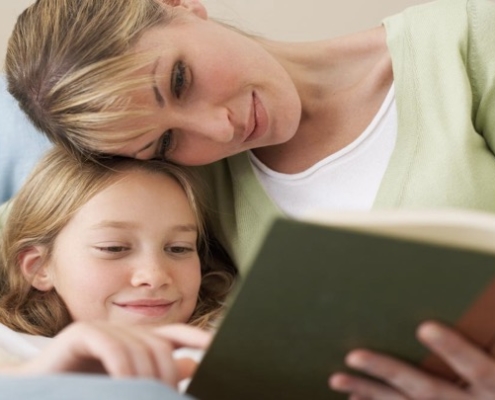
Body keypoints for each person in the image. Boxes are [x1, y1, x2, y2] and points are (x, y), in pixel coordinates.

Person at [4, 0, 495, 397]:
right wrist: (36, 375)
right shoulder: (167, 183)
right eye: (166, 143)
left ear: (178, 5)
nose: (220, 128)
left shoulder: (468, 48)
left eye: (179, 80)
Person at [0, 146, 235, 387]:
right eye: (114, 248)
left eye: (179, 248)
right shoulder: (9, 349)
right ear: (39, 267)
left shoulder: (234, 345)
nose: (154, 276)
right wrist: (37, 380)